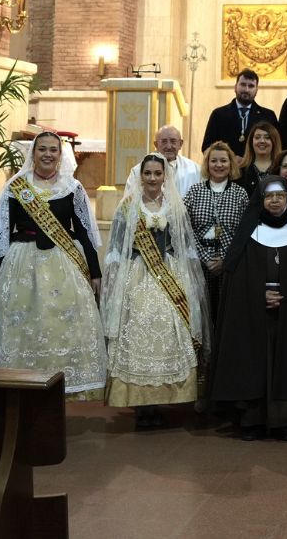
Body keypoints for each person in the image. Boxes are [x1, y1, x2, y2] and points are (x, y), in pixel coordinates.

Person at [210, 176, 287, 441]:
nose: (275, 201)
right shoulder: (249, 229)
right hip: (254, 309)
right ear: (261, 200)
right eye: (269, 196)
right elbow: (237, 275)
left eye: (280, 196)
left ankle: (285, 421)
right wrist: (260, 295)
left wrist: (285, 295)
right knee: (255, 360)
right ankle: (252, 420)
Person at [0, 131, 106, 398]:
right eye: (42, 149)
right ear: (33, 153)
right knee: (24, 327)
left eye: (53, 150)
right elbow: (1, 235)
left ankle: (60, 388)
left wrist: (95, 272)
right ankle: (22, 386)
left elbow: (85, 232)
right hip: (22, 264)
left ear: (60, 155)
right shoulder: (16, 187)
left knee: (62, 326)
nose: (48, 154)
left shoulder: (72, 188)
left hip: (64, 266)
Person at [101, 153, 209, 429]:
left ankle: (160, 401)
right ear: (140, 176)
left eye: (157, 173)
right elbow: (115, 248)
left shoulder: (175, 206)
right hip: (136, 276)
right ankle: (140, 404)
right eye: (147, 173)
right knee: (137, 333)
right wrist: (113, 280)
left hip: (169, 275)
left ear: (165, 176)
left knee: (168, 335)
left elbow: (184, 247)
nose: (152, 178)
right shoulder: (127, 206)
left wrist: (191, 281)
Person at [183, 142, 250, 325]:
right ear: (207, 164)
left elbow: (244, 232)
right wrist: (205, 257)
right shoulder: (194, 192)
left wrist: (225, 259)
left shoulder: (240, 194)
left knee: (226, 317)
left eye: (223, 161)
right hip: (199, 265)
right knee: (201, 317)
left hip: (230, 266)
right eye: (214, 161)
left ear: (231, 164)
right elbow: (185, 229)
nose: (218, 165)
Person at [201, 69, 278, 157]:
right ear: (235, 87)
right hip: (227, 168)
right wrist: (232, 159)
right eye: (243, 84)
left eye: (251, 86)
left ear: (256, 90)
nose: (246, 90)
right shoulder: (218, 115)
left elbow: (276, 147)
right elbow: (207, 147)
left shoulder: (268, 116)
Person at [154, 125, 201, 198]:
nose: (169, 147)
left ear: (180, 144)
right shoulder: (140, 169)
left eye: (173, 141)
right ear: (156, 144)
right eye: (164, 142)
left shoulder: (195, 170)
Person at [236, 121, 282, 195]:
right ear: (251, 142)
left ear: (274, 142)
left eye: (267, 138)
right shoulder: (240, 172)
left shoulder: (281, 170)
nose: (262, 141)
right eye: (257, 137)